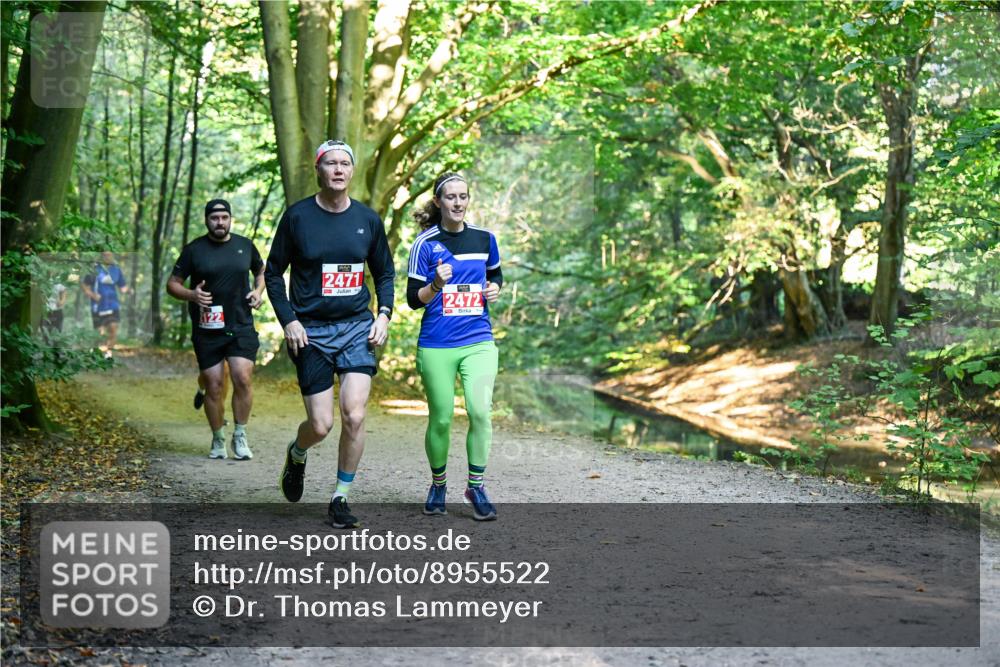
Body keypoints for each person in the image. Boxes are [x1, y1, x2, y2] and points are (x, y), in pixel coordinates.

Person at [265, 139, 395, 529]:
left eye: (345, 164)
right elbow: (273, 273)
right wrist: (288, 320)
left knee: (354, 415)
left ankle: (341, 496)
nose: (338, 170)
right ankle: (298, 451)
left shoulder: (368, 220)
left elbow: (385, 272)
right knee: (321, 425)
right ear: (319, 170)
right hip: (311, 332)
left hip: (357, 326)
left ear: (352, 171)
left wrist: (384, 314)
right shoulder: (298, 217)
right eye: (330, 164)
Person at [406, 172, 502, 521]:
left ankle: (475, 486)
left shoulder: (485, 238)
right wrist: (435, 284)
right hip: (437, 343)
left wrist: (495, 290)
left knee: (480, 412)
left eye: (463, 196)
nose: (458, 203)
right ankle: (438, 483)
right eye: (451, 197)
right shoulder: (424, 244)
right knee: (442, 419)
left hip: (478, 340)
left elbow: (495, 275)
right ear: (438, 202)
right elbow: (412, 301)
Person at [166, 199, 265, 461]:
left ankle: (240, 435)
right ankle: (218, 437)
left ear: (230, 219)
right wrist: (191, 294)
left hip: (240, 323)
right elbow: (172, 283)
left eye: (224, 217)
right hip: (207, 327)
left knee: (242, 377)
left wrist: (258, 291)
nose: (219, 222)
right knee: (214, 384)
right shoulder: (194, 250)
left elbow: (262, 269)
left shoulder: (245, 245)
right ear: (206, 220)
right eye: (214, 218)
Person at [81, 251, 130, 359]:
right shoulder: (95, 269)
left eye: (110, 254)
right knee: (99, 333)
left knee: (113, 328)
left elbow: (122, 286)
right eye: (105, 255)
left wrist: (128, 290)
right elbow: (84, 286)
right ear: (101, 256)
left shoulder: (116, 270)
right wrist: (93, 295)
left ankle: (108, 355)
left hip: (113, 305)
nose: (108, 257)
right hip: (98, 306)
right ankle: (95, 353)